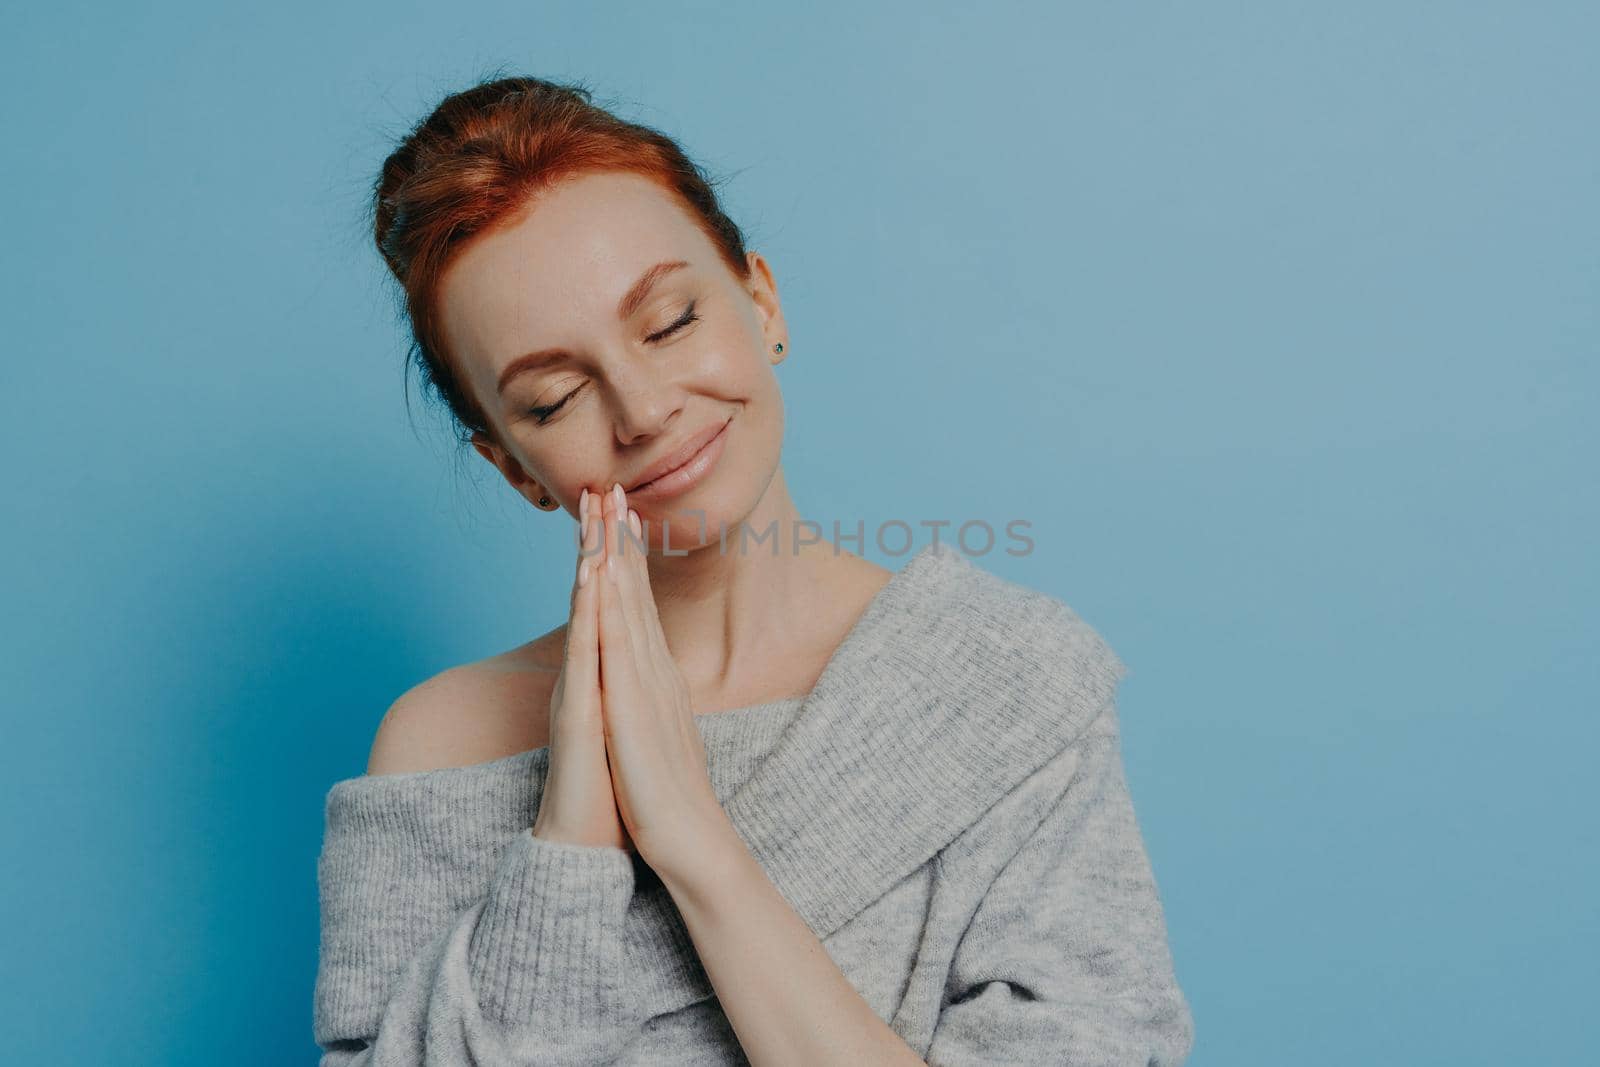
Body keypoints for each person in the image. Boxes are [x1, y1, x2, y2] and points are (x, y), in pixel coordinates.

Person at [314, 74, 1194, 1065]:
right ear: (512, 466)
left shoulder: (1011, 682)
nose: (643, 410)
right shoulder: (443, 750)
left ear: (761, 299)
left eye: (670, 322)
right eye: (555, 398)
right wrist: (568, 838)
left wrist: (693, 839)